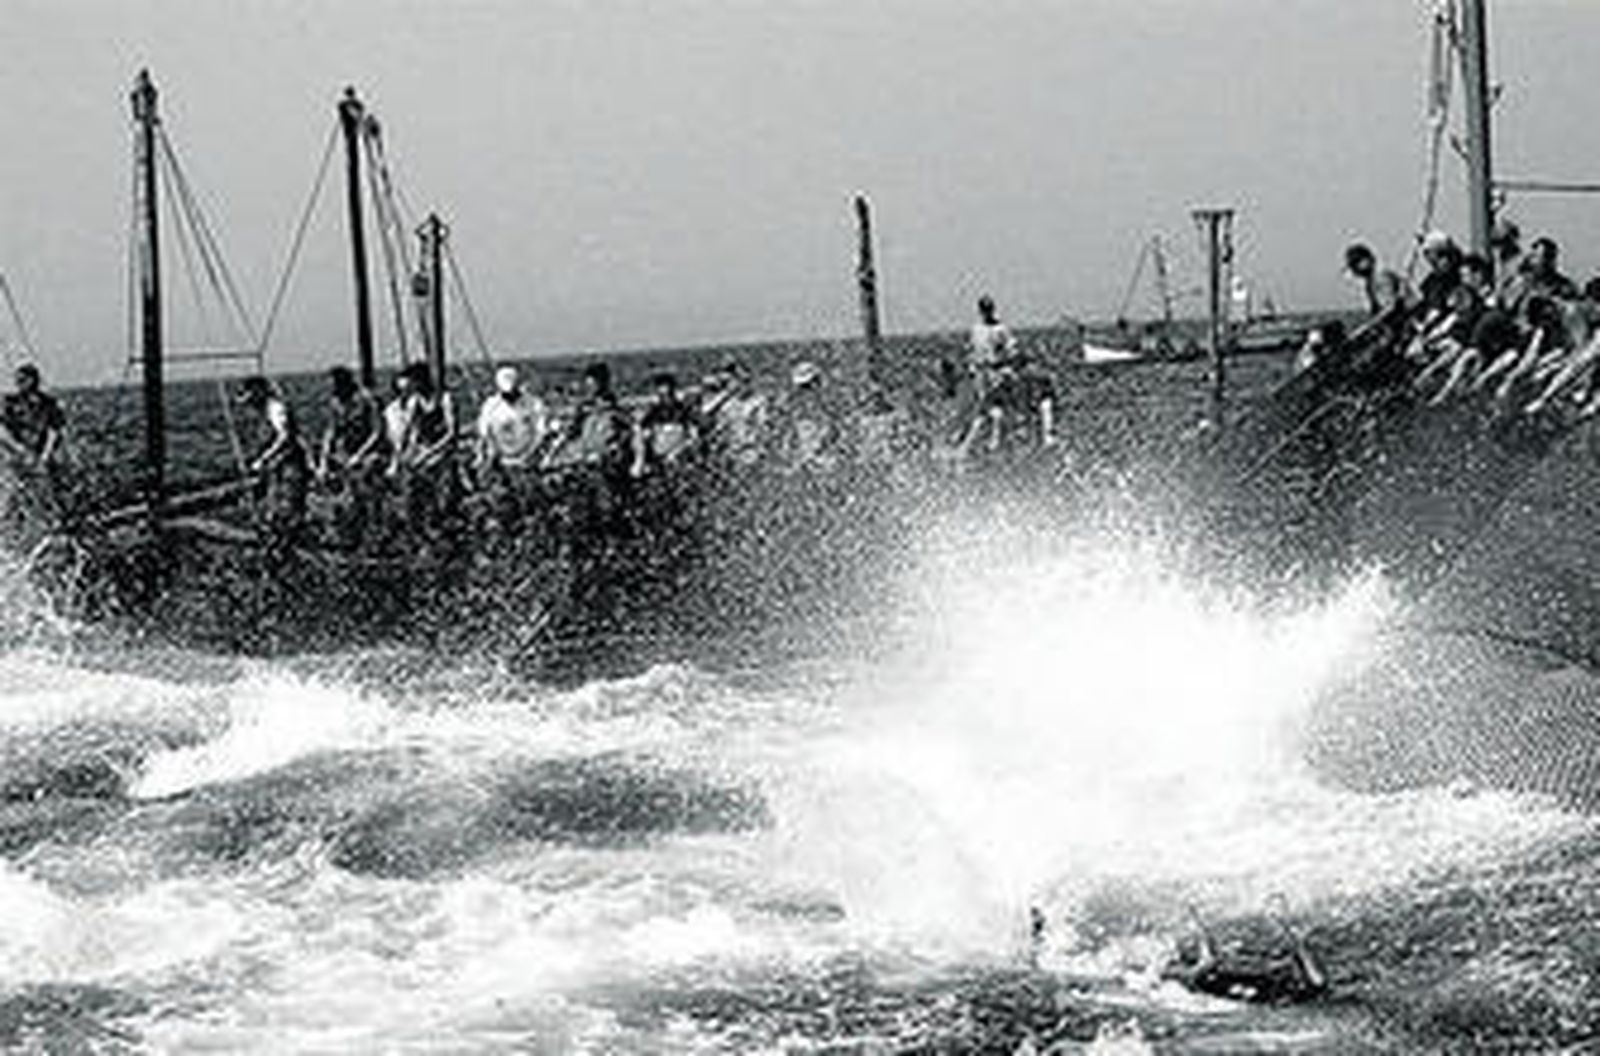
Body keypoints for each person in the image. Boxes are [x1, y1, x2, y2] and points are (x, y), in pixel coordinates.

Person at [1163, 903, 1327, 1004]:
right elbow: (1318, 984)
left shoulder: (1205, 982)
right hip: (1256, 985)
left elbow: (1318, 984)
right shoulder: (1205, 982)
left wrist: (1296, 943)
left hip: (1252, 986)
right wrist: (1297, 943)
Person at [474, 364, 549, 535]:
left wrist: (531, 456)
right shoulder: (490, 406)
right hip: (501, 463)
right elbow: (484, 436)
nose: (509, 397)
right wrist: (486, 459)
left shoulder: (533, 404)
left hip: (527, 463)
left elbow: (540, 433)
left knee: (530, 508)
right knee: (503, 508)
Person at [316, 365, 386, 544]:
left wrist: (360, 455)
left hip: (370, 451)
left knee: (365, 486)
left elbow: (377, 432)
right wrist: (323, 461)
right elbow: (331, 432)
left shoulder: (367, 399)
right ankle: (343, 531)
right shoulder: (335, 403)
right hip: (345, 453)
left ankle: (374, 530)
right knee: (333, 486)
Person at [237, 375, 309, 543]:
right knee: (272, 507)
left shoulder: (276, 408)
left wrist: (263, 459)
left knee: (287, 508)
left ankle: (289, 541)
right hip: (276, 466)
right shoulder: (264, 410)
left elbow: (284, 437)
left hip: (289, 465)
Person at [390, 362, 459, 539]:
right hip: (424, 449)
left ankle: (442, 520)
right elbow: (410, 430)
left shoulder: (444, 399)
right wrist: (399, 456)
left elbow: (451, 433)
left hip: (442, 449)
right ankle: (417, 525)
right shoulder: (415, 401)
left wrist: (429, 453)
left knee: (440, 490)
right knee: (413, 483)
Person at [0, 363, 71, 533]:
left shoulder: (48, 403)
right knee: (13, 494)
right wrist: (18, 450)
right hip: (16, 455)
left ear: (33, 380)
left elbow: (55, 430)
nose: (18, 384)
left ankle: (55, 524)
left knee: (50, 492)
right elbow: (2, 430)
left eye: (22, 380)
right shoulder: (11, 403)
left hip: (42, 455)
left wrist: (45, 455)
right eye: (17, 380)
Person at [776, 360, 846, 474]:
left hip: (817, 449)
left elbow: (833, 428)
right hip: (810, 448)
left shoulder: (824, 404)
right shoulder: (797, 407)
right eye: (806, 387)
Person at [634, 370, 699, 475]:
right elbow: (641, 425)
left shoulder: (681, 408)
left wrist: (682, 446)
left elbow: (692, 431)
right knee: (641, 434)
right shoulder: (655, 409)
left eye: (665, 387)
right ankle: (641, 463)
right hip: (659, 445)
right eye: (660, 387)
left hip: (676, 446)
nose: (662, 391)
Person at [969, 295, 1019, 396]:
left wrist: (1006, 361)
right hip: (981, 372)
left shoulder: (1001, 329)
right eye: (984, 310)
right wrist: (972, 366)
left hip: (998, 371)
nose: (987, 313)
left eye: (989, 309)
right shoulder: (976, 330)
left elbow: (1012, 350)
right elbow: (973, 350)